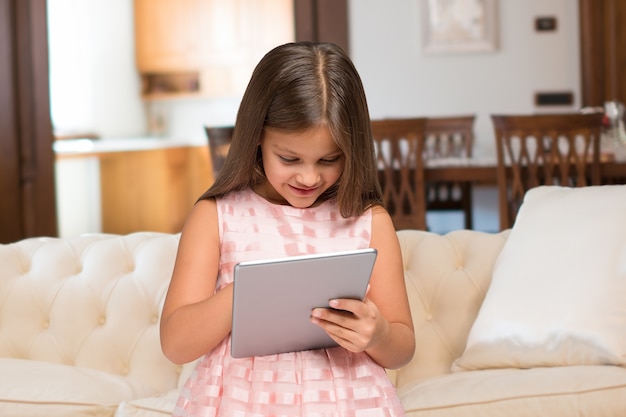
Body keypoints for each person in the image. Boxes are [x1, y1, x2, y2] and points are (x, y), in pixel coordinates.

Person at [160, 41, 415, 417]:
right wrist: (247, 292)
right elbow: (176, 345)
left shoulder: (369, 220)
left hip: (349, 401)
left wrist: (379, 335)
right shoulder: (216, 215)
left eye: (330, 159)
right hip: (241, 401)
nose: (310, 176)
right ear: (257, 136)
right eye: (289, 158)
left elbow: (403, 347)